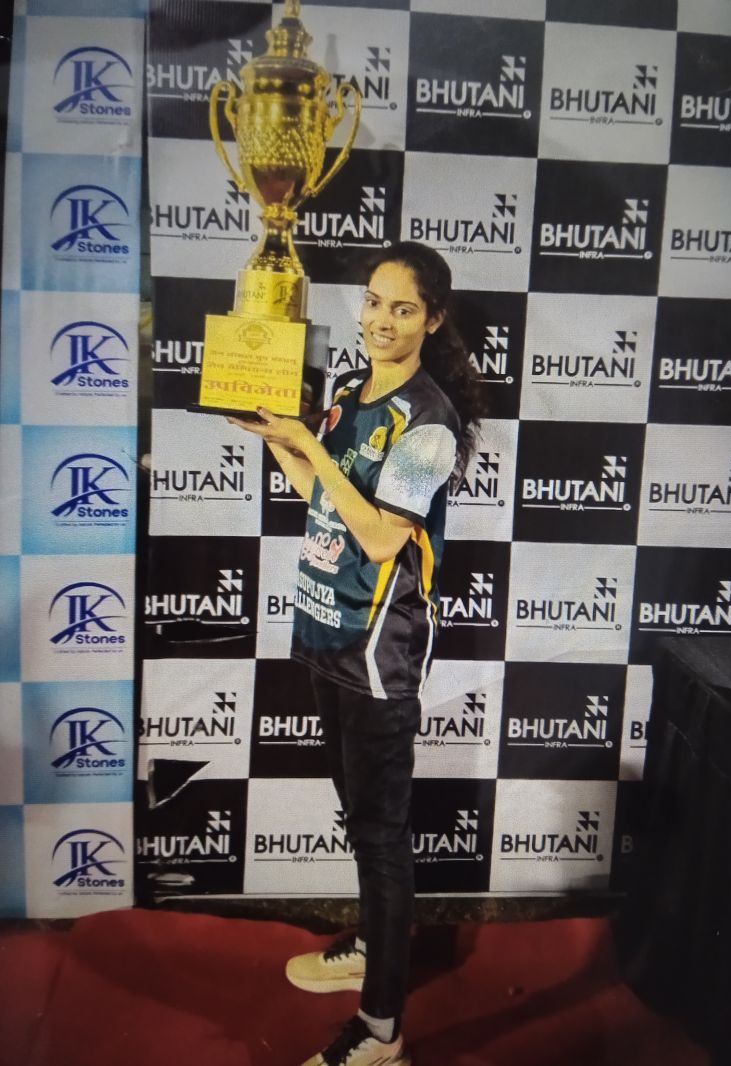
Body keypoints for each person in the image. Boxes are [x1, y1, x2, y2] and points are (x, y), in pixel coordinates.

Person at [229, 241, 484, 1066]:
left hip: (379, 653)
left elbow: (377, 538)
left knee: (380, 837)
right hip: (323, 632)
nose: (381, 320)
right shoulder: (347, 393)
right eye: (374, 302)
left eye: (403, 308)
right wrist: (279, 440)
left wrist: (311, 444)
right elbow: (322, 500)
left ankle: (382, 1035)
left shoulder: (430, 422)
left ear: (432, 320)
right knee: (359, 817)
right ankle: (374, 948)